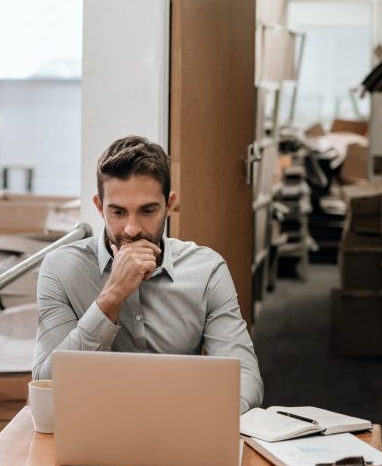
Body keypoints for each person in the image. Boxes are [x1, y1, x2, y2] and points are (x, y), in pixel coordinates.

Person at [31, 135, 263, 413]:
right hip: (94, 424)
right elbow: (48, 387)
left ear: (169, 205)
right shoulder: (60, 268)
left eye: (148, 210)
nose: (132, 229)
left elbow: (246, 380)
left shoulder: (208, 270)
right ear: (98, 207)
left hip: (183, 423)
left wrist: (201, 417)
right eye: (117, 212)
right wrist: (112, 296)